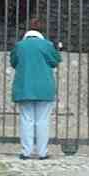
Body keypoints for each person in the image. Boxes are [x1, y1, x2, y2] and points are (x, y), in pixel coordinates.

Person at [9, 17, 61, 160]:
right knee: (43, 121)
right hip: (44, 87)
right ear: (42, 31)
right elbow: (55, 61)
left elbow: (13, 62)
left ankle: (26, 152)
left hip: (24, 87)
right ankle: (42, 152)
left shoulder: (19, 46)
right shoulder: (47, 45)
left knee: (26, 120)